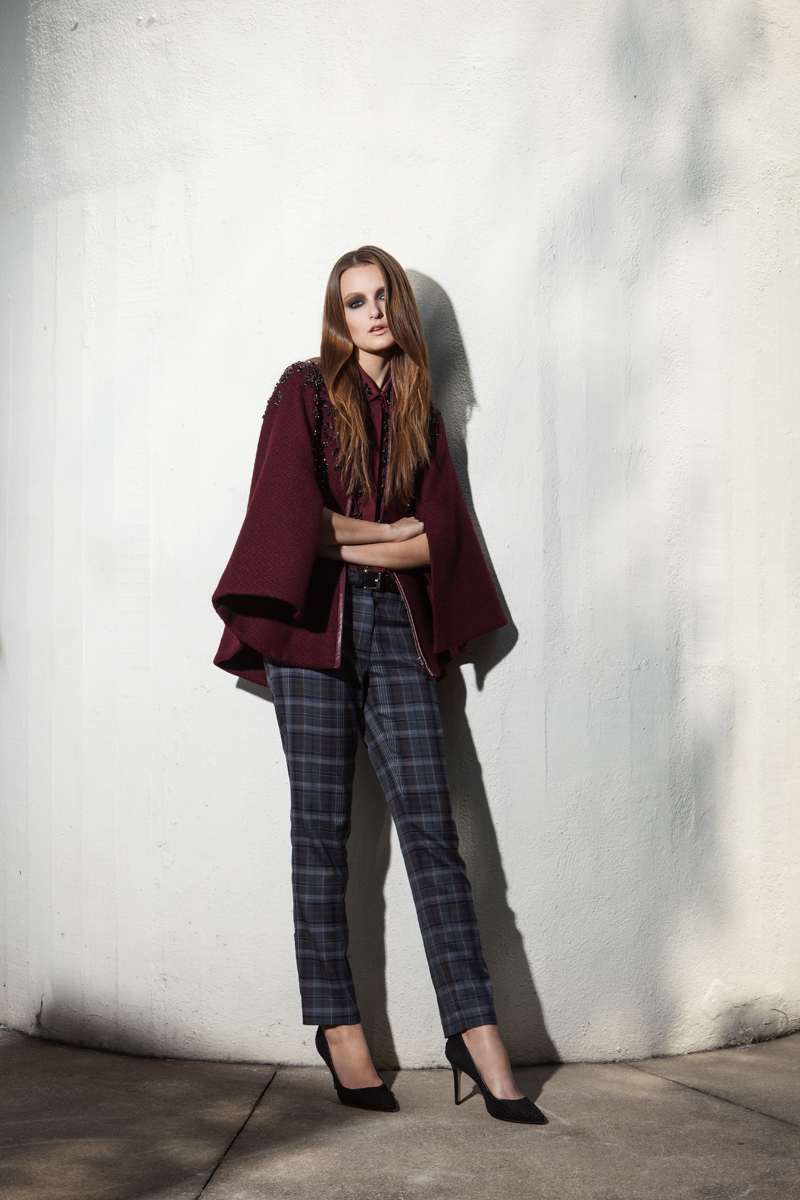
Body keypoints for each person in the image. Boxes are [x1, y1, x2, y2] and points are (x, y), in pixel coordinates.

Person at [212, 246, 545, 1124]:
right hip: (311, 635)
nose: (373, 312)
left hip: (396, 628)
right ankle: (339, 1027)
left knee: (436, 834)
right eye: (354, 301)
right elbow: (290, 526)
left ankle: (476, 1031)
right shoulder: (302, 390)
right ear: (339, 316)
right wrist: (383, 530)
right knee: (320, 835)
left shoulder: (421, 411)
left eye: (382, 295)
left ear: (399, 304)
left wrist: (356, 537)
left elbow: (442, 542)